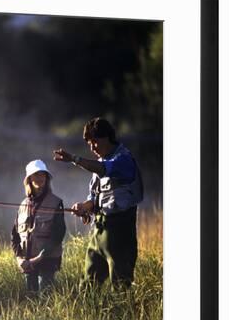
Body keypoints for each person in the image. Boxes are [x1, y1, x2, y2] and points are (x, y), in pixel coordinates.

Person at [53, 117, 143, 287]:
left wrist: (74, 158)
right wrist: (84, 207)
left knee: (120, 285)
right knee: (88, 285)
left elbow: (104, 170)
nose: (92, 147)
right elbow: (94, 198)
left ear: (108, 137)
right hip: (99, 231)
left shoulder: (123, 160)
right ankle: (89, 313)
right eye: (89, 143)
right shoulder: (99, 163)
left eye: (95, 141)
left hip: (120, 231)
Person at [11, 160, 66, 295]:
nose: (40, 178)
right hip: (27, 263)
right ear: (29, 179)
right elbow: (14, 236)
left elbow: (58, 235)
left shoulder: (56, 203)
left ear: (47, 178)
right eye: (36, 175)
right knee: (31, 301)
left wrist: (37, 259)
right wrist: (19, 259)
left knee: (46, 300)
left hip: (47, 262)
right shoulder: (23, 205)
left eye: (43, 175)